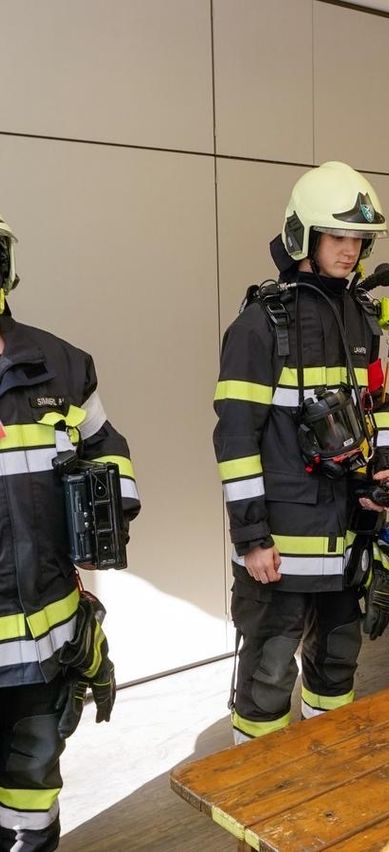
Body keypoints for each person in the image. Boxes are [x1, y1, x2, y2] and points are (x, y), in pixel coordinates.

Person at [213, 161, 389, 743]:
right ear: (305, 236)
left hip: (349, 536)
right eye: (338, 237)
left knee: (337, 668)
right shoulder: (258, 325)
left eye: (358, 240)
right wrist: (251, 539)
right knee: (269, 677)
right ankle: (255, 805)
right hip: (283, 549)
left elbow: (380, 401)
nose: (351, 252)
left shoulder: (362, 316)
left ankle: (326, 777)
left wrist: (387, 466)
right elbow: (236, 437)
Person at [0, 212, 140, 850]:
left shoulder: (60, 364)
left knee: (34, 785)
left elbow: (107, 451)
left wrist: (104, 517)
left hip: (43, 639)